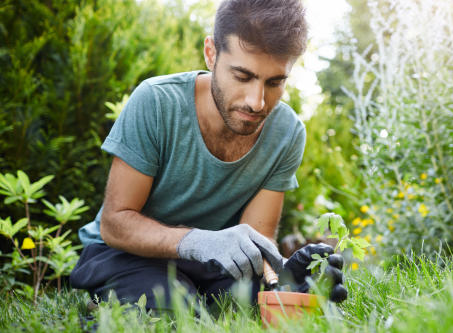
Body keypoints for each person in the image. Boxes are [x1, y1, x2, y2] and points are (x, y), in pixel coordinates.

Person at [70, 0, 348, 310]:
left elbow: (256, 240)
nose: (257, 102)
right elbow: (115, 224)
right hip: (124, 254)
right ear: (211, 53)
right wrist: (198, 242)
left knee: (254, 303)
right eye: (242, 76)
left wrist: (282, 276)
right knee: (174, 306)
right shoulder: (157, 102)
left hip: (212, 266)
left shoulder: (287, 132)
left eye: (275, 82)